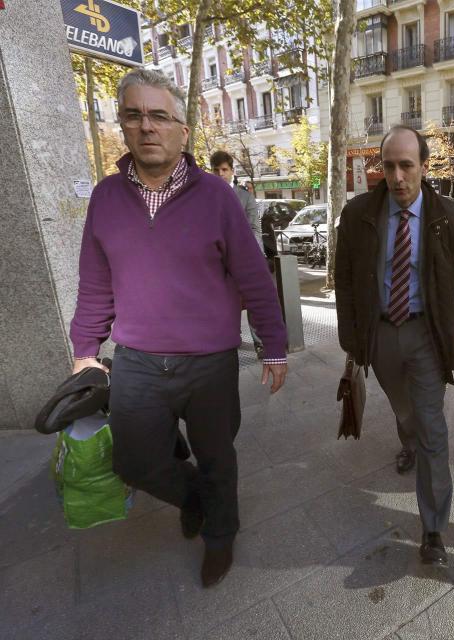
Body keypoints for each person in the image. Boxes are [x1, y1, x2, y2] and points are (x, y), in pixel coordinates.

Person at [69, 69, 289, 589]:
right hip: (137, 360)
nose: (147, 126)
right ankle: (192, 495)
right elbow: (95, 283)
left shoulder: (218, 198)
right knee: (134, 461)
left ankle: (220, 536)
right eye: (134, 115)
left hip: (210, 361)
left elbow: (254, 278)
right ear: (122, 125)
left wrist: (274, 347)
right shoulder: (104, 198)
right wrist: (85, 350)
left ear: (182, 131)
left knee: (218, 459)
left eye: (160, 116)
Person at [335, 125, 454, 567]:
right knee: (405, 412)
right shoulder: (360, 214)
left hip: (427, 334)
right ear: (380, 169)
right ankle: (408, 437)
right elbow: (344, 279)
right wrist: (351, 336)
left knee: (431, 425)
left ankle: (434, 529)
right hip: (380, 334)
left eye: (407, 165)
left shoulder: (450, 217)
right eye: (389, 166)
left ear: (424, 166)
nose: (398, 177)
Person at [210, 150, 265, 358]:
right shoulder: (205, 196)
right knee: (225, 302)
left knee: (252, 302)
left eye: (224, 169)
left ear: (232, 171)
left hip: (244, 261)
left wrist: (251, 259)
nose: (221, 174)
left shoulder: (245, 196)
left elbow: (255, 229)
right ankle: (231, 337)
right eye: (216, 170)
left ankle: (260, 343)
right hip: (216, 263)